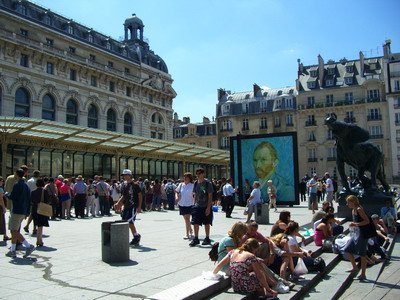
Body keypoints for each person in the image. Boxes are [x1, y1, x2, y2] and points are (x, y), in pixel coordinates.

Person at [213, 238, 278, 298]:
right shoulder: (251, 256)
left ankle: (265, 292)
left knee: (252, 273)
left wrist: (213, 274)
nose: (256, 252)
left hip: (235, 286)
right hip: (246, 287)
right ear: (253, 248)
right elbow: (260, 275)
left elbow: (220, 265)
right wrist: (268, 288)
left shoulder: (232, 252)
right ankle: (266, 292)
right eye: (256, 250)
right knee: (256, 274)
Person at [5, 169, 35, 258]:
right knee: (14, 231)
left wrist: (7, 194)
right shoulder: (26, 186)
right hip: (23, 211)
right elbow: (29, 199)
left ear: (16, 174)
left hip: (16, 210)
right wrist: (27, 212)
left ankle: (28, 246)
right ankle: (13, 250)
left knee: (14, 230)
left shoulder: (17, 184)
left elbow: (13, 197)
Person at [344, 195, 370, 281]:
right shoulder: (353, 210)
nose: (347, 204)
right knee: (347, 248)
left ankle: (363, 274)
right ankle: (355, 267)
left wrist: (356, 224)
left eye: (348, 202)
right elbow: (356, 222)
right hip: (355, 233)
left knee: (362, 254)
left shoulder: (359, 209)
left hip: (362, 234)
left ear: (353, 202)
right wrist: (353, 224)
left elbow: (367, 221)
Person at [115, 169, 142, 246]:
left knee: (129, 221)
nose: (124, 177)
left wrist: (139, 206)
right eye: (123, 175)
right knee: (124, 221)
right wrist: (118, 203)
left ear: (130, 176)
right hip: (126, 206)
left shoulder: (135, 185)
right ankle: (135, 236)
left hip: (133, 206)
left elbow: (140, 195)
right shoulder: (124, 184)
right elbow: (124, 196)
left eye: (125, 175)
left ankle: (136, 237)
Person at [189, 168, 213, 247]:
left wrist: (208, 208)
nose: (198, 175)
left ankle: (207, 238)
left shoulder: (207, 183)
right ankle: (196, 238)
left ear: (203, 174)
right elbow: (195, 194)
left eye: (199, 173)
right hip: (197, 206)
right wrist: (194, 204)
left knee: (207, 223)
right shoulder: (196, 183)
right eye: (197, 174)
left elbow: (210, 196)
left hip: (206, 206)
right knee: (195, 222)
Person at [30, 179, 50, 247]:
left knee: (37, 224)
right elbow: (47, 201)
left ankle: (39, 240)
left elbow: (31, 201)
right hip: (42, 210)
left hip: (35, 210)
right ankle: (39, 240)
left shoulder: (33, 192)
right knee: (40, 226)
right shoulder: (44, 191)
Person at [175, 172, 194, 239]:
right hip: (181, 203)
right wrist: (177, 197)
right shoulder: (180, 184)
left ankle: (187, 234)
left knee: (187, 219)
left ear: (190, 178)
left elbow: (195, 194)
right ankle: (190, 229)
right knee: (186, 219)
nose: (185, 178)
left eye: (187, 177)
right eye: (184, 177)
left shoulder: (192, 185)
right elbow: (176, 191)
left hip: (190, 204)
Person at [24, 170, 40, 234]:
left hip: (29, 199)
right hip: (36, 200)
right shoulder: (37, 181)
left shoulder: (29, 181)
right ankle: (33, 228)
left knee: (32, 214)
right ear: (38, 175)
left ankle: (28, 226)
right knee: (36, 214)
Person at [0, 177, 11, 242]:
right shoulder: (0, 189)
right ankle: (5, 235)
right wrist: (4, 208)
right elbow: (1, 200)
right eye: (2, 181)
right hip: (0, 207)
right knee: (2, 221)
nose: (3, 182)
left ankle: (5, 235)